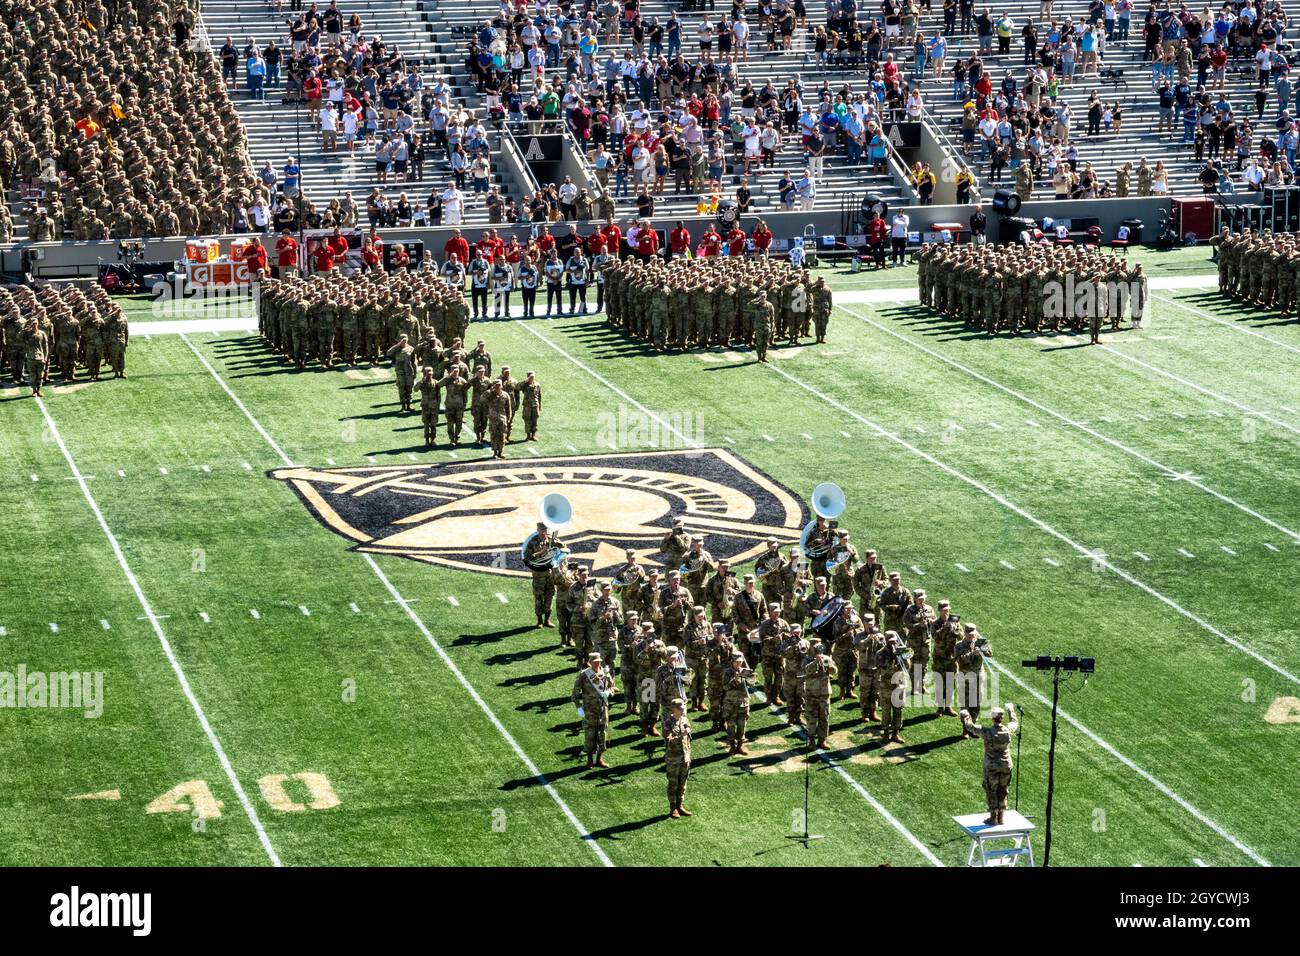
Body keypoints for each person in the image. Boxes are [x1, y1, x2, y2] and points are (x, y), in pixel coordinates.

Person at [961, 703, 1019, 824]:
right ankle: (1001, 817)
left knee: (991, 790)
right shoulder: (1008, 730)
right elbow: (1014, 722)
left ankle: (993, 817)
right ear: (1001, 718)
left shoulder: (987, 732)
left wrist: (966, 716)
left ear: (993, 718)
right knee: (1003, 789)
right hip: (1006, 765)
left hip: (991, 766)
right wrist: (1010, 710)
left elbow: (970, 727)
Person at [572, 653, 615, 768]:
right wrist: (578, 707)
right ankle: (590, 760)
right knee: (590, 734)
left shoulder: (605, 673)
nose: (597, 663)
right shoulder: (584, 675)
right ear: (590, 662)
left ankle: (599, 759)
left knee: (602, 734)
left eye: (599, 661)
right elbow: (575, 693)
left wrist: (608, 692)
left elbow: (612, 687)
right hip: (589, 710)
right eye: (595, 661)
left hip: (603, 709)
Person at [663, 698, 693, 817]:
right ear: (674, 709)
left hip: (685, 757)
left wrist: (688, 757)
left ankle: (680, 805)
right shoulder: (668, 723)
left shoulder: (684, 720)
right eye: (680, 708)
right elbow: (668, 741)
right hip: (673, 759)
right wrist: (682, 735)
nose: (682, 710)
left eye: (683, 708)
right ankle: (673, 808)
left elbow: (688, 740)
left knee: (683, 783)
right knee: (673, 783)